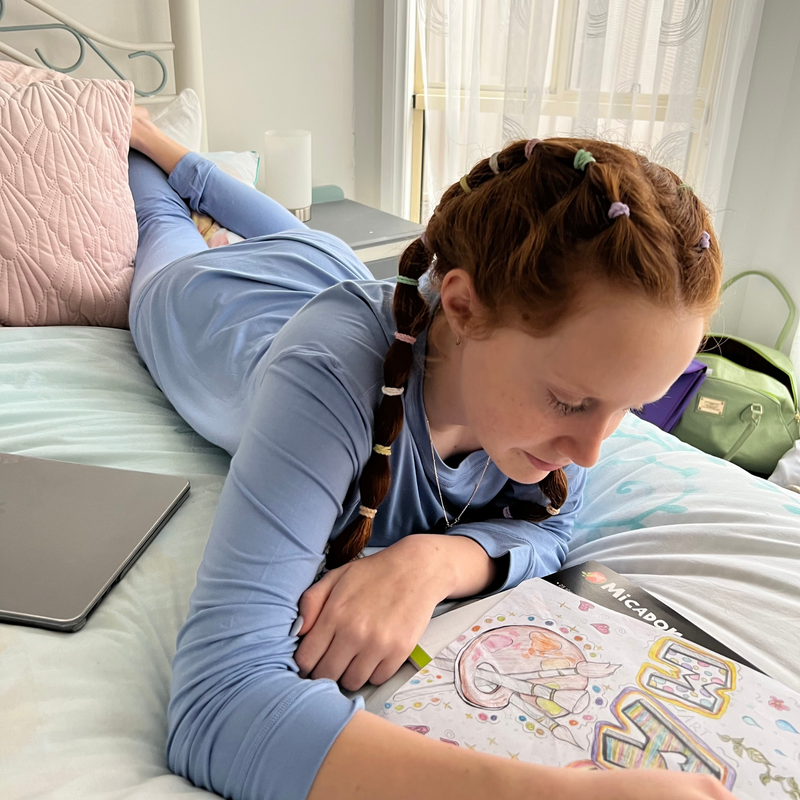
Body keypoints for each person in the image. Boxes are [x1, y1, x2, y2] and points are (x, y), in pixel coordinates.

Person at [127, 108, 733, 800]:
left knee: (308, 240)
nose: (592, 453)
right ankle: (144, 143)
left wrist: (435, 562)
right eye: (571, 401)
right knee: (164, 223)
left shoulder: (513, 379)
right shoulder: (331, 374)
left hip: (324, 265)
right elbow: (217, 707)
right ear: (464, 308)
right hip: (208, 303)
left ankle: (162, 142)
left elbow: (553, 527)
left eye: (628, 407)